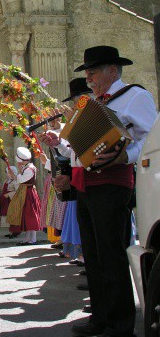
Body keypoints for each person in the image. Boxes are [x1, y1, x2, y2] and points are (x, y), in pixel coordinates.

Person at [41, 46, 157, 337]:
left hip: (113, 182)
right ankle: (101, 318)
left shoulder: (135, 96)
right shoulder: (90, 102)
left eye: (92, 72)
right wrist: (59, 142)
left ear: (112, 71)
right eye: (88, 73)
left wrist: (125, 157)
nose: (89, 78)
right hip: (85, 185)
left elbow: (152, 137)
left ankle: (121, 324)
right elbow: (77, 145)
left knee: (111, 253)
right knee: (92, 254)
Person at [7, 147, 42, 245]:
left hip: (28, 193)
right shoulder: (27, 167)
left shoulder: (29, 169)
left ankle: (33, 239)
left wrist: (14, 175)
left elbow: (21, 180)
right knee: (25, 215)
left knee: (30, 215)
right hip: (25, 192)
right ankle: (27, 238)